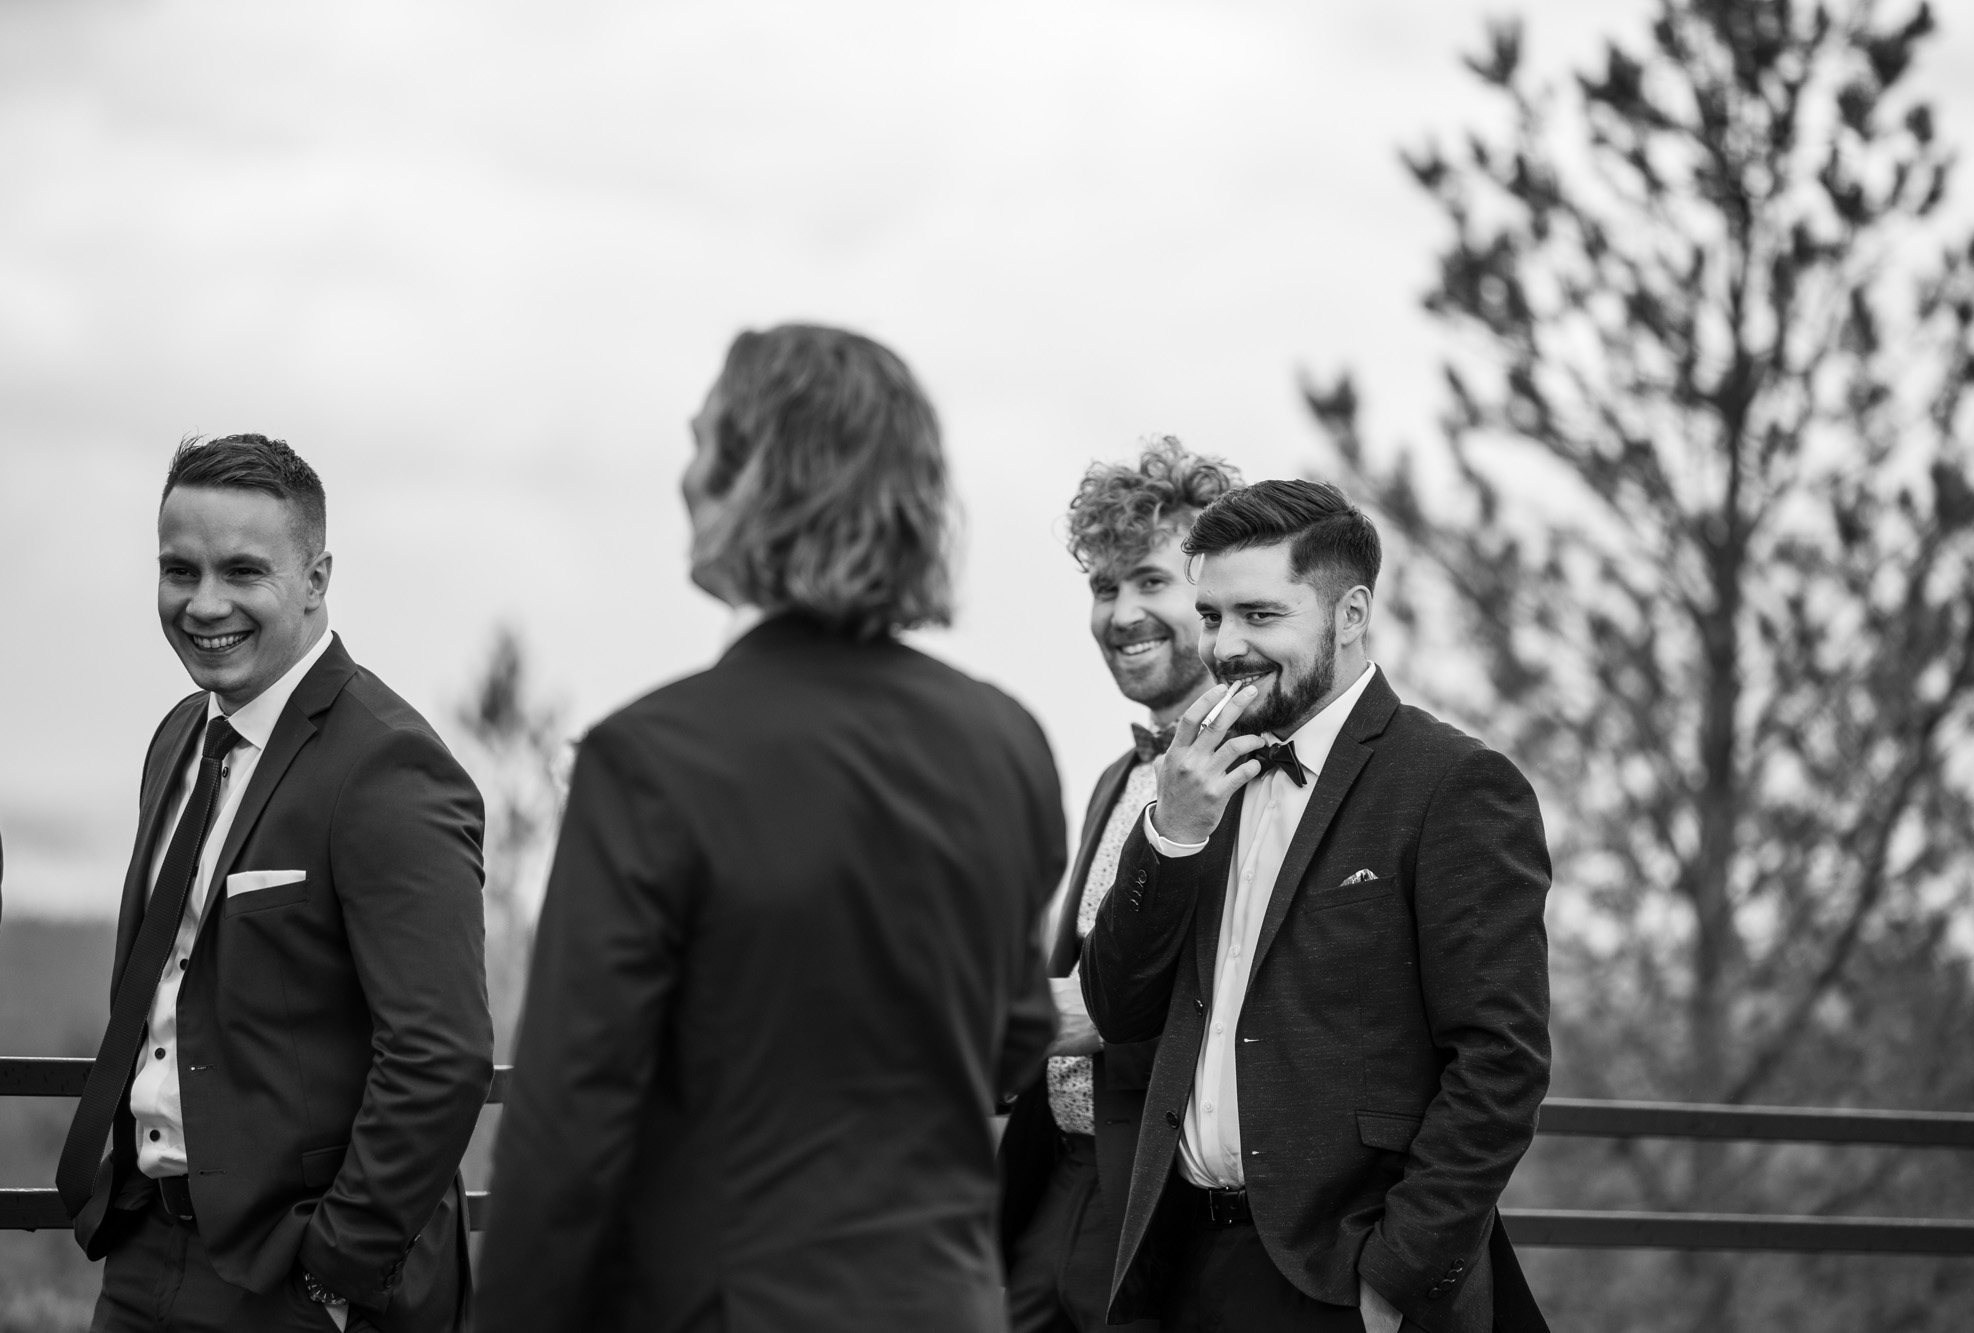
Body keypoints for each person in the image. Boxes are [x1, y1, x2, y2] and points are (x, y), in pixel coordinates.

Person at [475, 324, 1065, 1333]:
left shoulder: (651, 758)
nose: (683, 477)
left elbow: (567, 1121)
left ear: (754, 478)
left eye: (702, 442)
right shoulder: (1007, 740)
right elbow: (1014, 1038)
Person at [1080, 480, 1551, 1333]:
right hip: (1179, 1265)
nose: (1226, 646)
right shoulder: (1200, 777)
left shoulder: (1455, 784)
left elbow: (1500, 1062)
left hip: (1342, 1280)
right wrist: (1170, 833)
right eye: (1213, 615)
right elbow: (1119, 1007)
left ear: (1350, 613)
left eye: (1260, 616)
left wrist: (1397, 1275)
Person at [56, 435, 492, 1332]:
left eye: (243, 571)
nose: (204, 602)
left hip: (295, 1281)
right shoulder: (179, 737)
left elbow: (439, 1055)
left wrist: (335, 1270)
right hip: (141, 1256)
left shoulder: (388, 765)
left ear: (316, 578)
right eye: (180, 570)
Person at [999, 437, 1238, 1333]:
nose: (1123, 613)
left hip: (1157, 1193)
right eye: (1105, 588)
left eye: (1150, 581)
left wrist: (1062, 1012)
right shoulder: (1114, 776)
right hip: (1054, 1179)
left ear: (1214, 597)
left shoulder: (1257, 773)